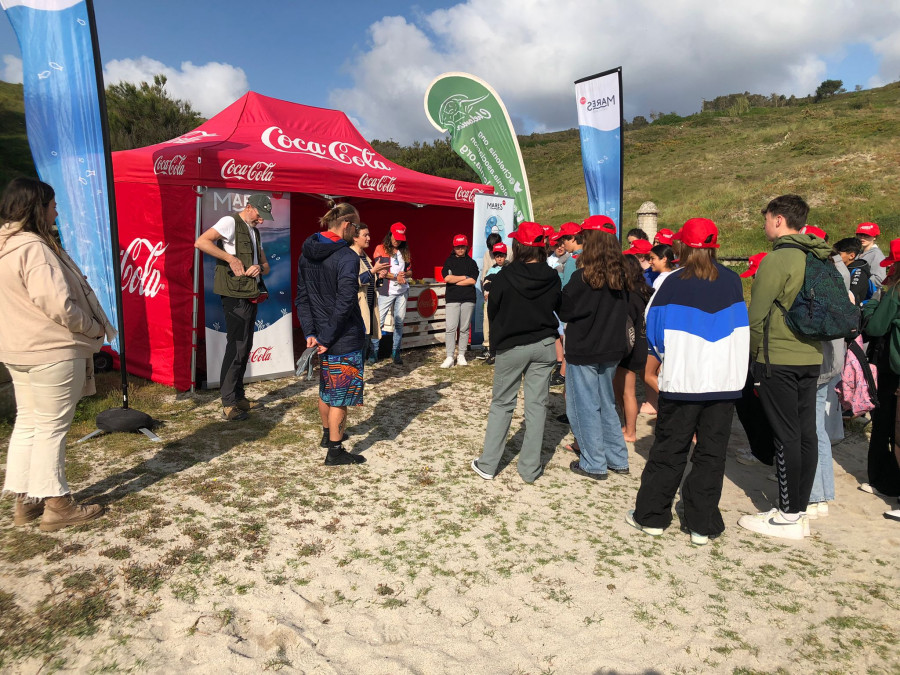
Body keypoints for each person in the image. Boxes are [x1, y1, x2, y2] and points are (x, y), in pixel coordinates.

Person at [0, 178, 115, 531]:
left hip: (18, 350)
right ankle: (57, 505)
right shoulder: (35, 248)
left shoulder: (5, 246)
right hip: (51, 350)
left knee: (29, 424)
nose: (57, 212)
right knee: (50, 428)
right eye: (52, 205)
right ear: (37, 207)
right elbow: (59, 305)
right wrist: (94, 328)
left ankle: (27, 502)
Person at [627, 218, 749, 545]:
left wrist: (672, 355)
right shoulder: (732, 280)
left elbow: (652, 329)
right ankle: (701, 524)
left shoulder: (671, 282)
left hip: (682, 381)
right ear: (714, 246)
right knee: (711, 454)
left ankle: (652, 517)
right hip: (723, 382)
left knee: (669, 449)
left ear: (681, 246)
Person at [738, 194, 834, 540]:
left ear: (779, 219)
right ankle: (801, 508)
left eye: (766, 219)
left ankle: (788, 514)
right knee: (806, 431)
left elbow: (756, 316)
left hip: (778, 357)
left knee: (785, 435)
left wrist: (752, 357)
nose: (764, 225)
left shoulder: (779, 259)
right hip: (812, 355)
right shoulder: (817, 255)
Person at [471, 222, 561, 484]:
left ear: (518, 246)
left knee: (502, 404)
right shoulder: (552, 275)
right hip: (544, 345)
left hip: (513, 346)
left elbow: (493, 309)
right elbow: (558, 305)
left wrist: (497, 342)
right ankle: (530, 469)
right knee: (537, 406)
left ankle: (488, 464)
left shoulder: (505, 276)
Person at [559, 214, 637, 481]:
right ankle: (617, 458)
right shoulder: (623, 275)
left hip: (585, 349)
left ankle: (593, 462)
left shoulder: (583, 277)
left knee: (583, 406)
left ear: (589, 241)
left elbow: (565, 309)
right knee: (605, 403)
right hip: (612, 349)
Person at [295, 202, 367, 467]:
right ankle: (335, 451)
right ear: (347, 225)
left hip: (321, 336)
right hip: (341, 335)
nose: (357, 232)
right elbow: (346, 302)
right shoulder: (347, 257)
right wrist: (325, 337)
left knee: (327, 388)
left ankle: (328, 436)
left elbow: (302, 297)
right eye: (356, 227)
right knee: (341, 395)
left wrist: (311, 333)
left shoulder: (306, 253)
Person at [194, 193, 272, 421]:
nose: (261, 220)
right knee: (236, 346)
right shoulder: (230, 222)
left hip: (251, 293)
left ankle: (238, 397)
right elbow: (201, 241)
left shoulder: (254, 232)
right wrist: (231, 259)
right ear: (249, 207)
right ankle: (228, 403)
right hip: (234, 294)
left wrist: (259, 268)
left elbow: (266, 265)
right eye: (259, 214)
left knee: (245, 346)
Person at [860, 238, 900, 504]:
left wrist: (872, 306)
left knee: (887, 426)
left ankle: (884, 481)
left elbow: (875, 327)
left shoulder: (896, 290)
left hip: (893, 368)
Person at [615, 253, 652, 443]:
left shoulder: (630, 295)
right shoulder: (645, 290)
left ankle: (630, 431)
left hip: (629, 346)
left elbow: (626, 323)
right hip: (641, 343)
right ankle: (626, 426)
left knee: (627, 391)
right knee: (621, 389)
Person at [346, 222, 389, 364]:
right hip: (358, 310)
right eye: (365, 235)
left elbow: (371, 282)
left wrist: (379, 277)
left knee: (364, 346)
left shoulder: (365, 257)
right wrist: (372, 271)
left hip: (369, 308)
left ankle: (359, 378)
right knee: (357, 347)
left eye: (369, 234)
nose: (369, 238)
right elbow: (353, 282)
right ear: (355, 237)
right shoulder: (350, 257)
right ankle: (354, 380)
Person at [372, 222, 411, 365]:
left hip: (402, 291)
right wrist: (396, 277)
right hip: (386, 291)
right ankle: (374, 352)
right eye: (395, 237)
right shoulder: (380, 249)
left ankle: (396, 353)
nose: (397, 240)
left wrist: (405, 274)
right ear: (390, 235)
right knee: (379, 321)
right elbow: (381, 271)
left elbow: (411, 270)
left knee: (399, 323)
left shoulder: (404, 252)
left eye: (400, 238)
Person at [441, 234, 479, 367]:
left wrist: (455, 280)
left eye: (462, 247)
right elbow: (447, 278)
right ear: (454, 247)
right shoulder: (449, 261)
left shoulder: (471, 263)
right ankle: (450, 356)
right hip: (452, 298)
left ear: (466, 247)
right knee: (451, 328)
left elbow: (473, 280)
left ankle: (461, 355)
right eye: (458, 247)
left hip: (468, 298)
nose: (460, 249)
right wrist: (464, 277)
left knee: (464, 328)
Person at [481, 242, 509, 365]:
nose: (499, 258)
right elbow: (486, 284)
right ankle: (493, 353)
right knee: (492, 329)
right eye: (497, 256)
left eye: (501, 256)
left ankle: (505, 353)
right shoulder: (491, 269)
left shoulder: (509, 269)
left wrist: (495, 285)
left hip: (505, 305)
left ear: (505, 256)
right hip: (493, 305)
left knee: (505, 328)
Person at [833, 237, 872, 306]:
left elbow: (850, 296)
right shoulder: (842, 268)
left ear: (851, 256)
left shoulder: (859, 272)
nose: (835, 257)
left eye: (839, 254)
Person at [856, 222, 885, 287]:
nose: (862, 238)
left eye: (866, 235)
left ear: (874, 237)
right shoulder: (858, 252)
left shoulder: (876, 254)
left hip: (869, 295)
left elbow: (879, 279)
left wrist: (858, 285)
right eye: (860, 235)